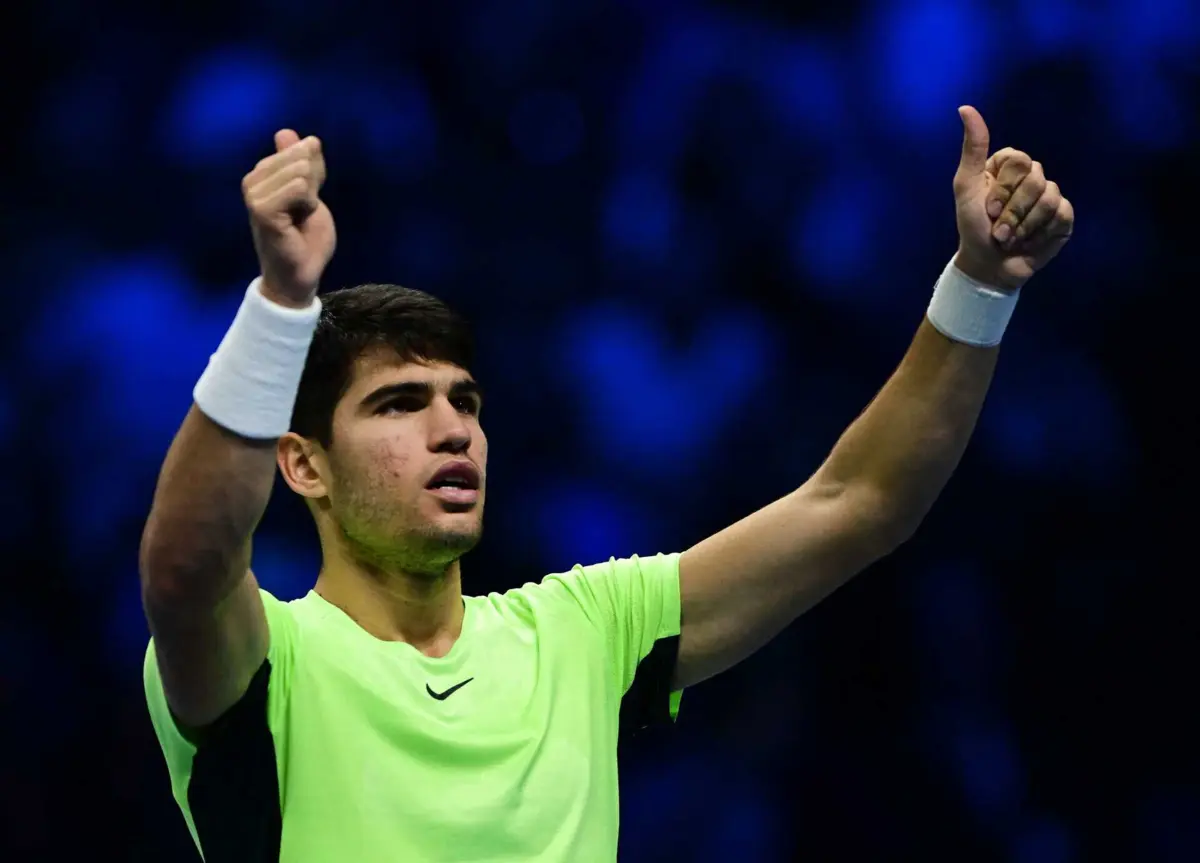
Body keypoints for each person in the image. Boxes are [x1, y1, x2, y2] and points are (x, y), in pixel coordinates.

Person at [141, 106, 1074, 862]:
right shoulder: (273, 660)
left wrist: (981, 284)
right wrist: (282, 305)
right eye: (397, 404)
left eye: (464, 400)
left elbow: (857, 502)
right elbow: (186, 567)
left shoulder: (583, 631)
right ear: (304, 464)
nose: (452, 428)